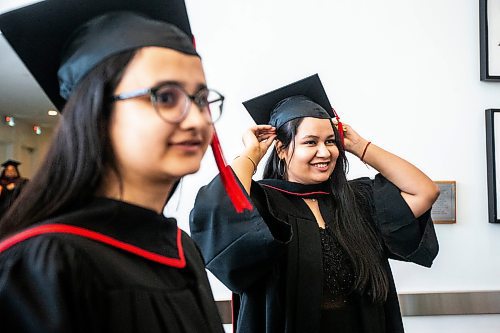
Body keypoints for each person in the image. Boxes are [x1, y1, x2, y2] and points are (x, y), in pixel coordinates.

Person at [0, 0, 230, 331]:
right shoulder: (43, 264)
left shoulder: (182, 249)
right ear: (97, 112)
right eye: (165, 97)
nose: (196, 119)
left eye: (201, 99)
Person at [190, 74, 440, 333]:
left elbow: (424, 191)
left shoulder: (356, 200)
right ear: (282, 149)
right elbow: (218, 208)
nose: (325, 152)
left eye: (330, 141)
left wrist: (359, 145)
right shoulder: (263, 204)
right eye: (311, 142)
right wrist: (250, 155)